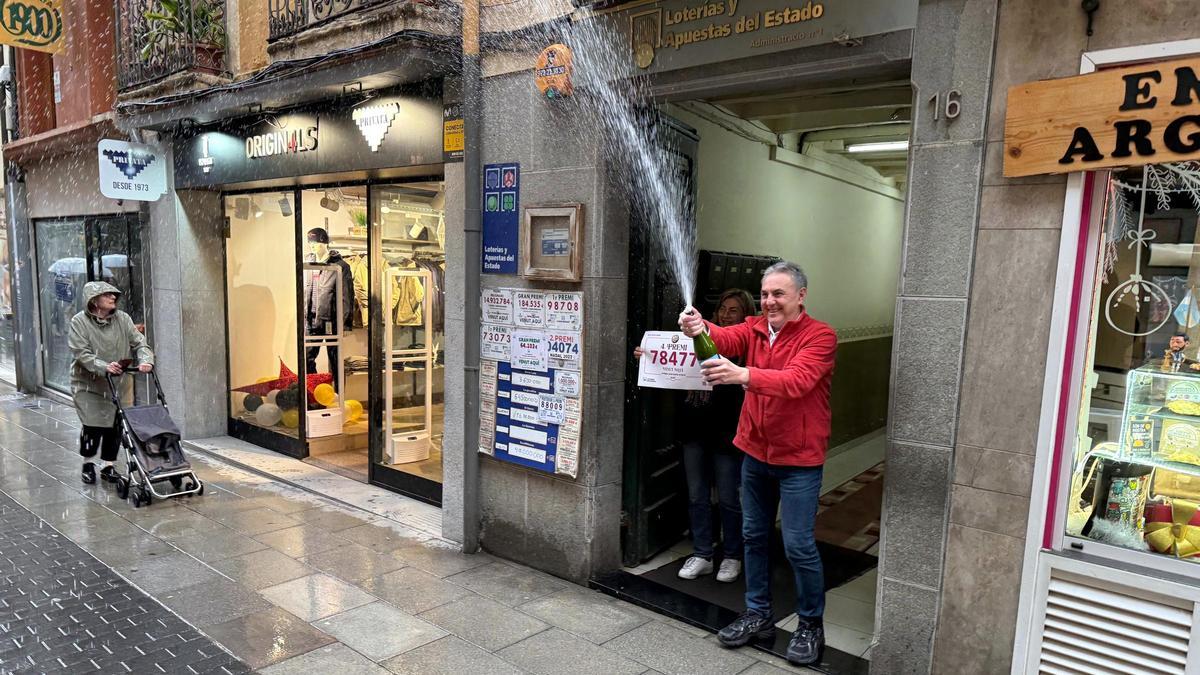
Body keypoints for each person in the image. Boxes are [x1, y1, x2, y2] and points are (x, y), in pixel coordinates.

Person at [679, 260, 836, 667]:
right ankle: (758, 615)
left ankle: (810, 626)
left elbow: (796, 381)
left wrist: (743, 375)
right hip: (754, 452)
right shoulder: (752, 328)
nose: (770, 301)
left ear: (800, 296)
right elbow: (723, 336)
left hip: (799, 460)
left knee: (799, 545)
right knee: (753, 537)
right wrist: (700, 327)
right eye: (765, 294)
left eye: (778, 294)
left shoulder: (820, 337)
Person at [636, 289, 756, 582]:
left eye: (734, 311)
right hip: (694, 431)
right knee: (697, 495)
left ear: (745, 316)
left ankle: (732, 556)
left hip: (728, 433)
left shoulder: (745, 348)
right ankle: (702, 553)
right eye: (723, 309)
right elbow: (670, 364)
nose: (726, 315)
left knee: (729, 498)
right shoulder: (697, 339)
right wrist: (648, 356)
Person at [68, 282, 154, 485]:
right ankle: (88, 463)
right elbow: (81, 353)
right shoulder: (79, 322)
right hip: (89, 384)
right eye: (107, 295)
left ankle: (108, 466)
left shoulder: (123, 319)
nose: (113, 297)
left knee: (115, 426)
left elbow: (139, 342)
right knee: (93, 425)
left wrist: (146, 360)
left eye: (114, 295)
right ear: (93, 300)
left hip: (119, 383)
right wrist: (103, 365)